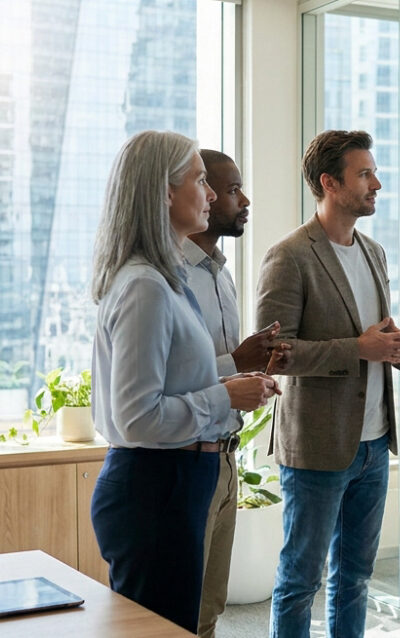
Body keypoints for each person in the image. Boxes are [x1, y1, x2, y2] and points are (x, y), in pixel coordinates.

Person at [89, 130, 279, 633]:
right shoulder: (145, 287)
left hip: (178, 479)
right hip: (158, 484)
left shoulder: (164, 279)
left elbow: (175, 379)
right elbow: (136, 417)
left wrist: (234, 376)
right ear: (164, 192)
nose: (213, 194)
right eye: (201, 180)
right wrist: (225, 395)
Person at [255, 129, 400, 638]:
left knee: (355, 579)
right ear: (329, 182)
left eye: (374, 172)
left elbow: (369, 332)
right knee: (301, 580)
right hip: (318, 448)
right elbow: (273, 356)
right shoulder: (289, 256)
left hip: (374, 444)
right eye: (365, 174)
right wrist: (359, 349)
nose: (377, 183)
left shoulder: (375, 253)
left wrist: (391, 344)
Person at [182, 148, 291, 638]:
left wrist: (257, 369)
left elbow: (217, 371)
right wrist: (236, 367)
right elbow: (172, 382)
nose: (243, 200)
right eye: (230, 190)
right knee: (174, 615)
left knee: (209, 613)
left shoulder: (221, 275)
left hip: (225, 461)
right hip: (183, 460)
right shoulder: (168, 279)